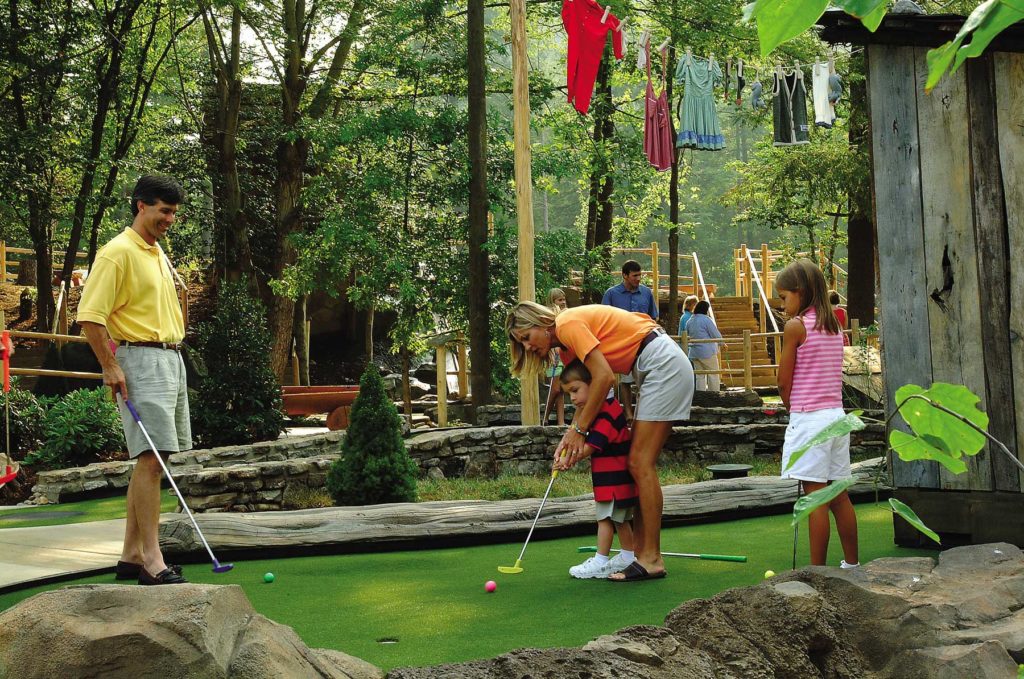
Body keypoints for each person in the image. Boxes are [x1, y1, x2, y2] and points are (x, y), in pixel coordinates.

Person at [506, 301, 694, 581]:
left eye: (526, 338)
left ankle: (651, 559)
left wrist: (579, 431)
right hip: (651, 366)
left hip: (662, 364)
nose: (528, 347)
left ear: (541, 323)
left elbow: (605, 377)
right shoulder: (567, 350)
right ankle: (641, 554)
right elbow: (593, 396)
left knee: (640, 462)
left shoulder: (567, 324)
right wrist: (570, 443)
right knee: (637, 463)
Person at [78, 175, 191, 586]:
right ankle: (151, 559)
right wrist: (110, 366)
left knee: (155, 460)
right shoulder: (118, 252)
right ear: (140, 205)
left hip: (169, 359)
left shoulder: (155, 251)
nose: (170, 219)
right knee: (150, 460)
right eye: (164, 211)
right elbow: (90, 315)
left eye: (174, 212)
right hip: (140, 359)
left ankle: (130, 554)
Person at [776, 260, 858, 568]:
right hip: (837, 417)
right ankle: (852, 564)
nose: (782, 306)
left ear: (801, 292)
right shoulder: (834, 326)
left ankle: (817, 572)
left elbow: (783, 382)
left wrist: (791, 409)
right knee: (838, 494)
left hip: (810, 419)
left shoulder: (796, 327)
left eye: (784, 298)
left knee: (815, 498)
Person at [556, 359, 637, 579]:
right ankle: (628, 556)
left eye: (575, 390)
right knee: (620, 520)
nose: (572, 398)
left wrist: (568, 461)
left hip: (615, 479)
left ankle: (600, 561)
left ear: (595, 384)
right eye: (568, 393)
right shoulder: (602, 409)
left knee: (605, 519)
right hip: (611, 479)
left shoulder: (607, 413)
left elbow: (590, 447)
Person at [602, 260, 658, 422]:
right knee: (625, 380)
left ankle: (643, 413)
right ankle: (628, 414)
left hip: (643, 343)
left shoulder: (646, 293)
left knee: (645, 379)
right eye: (635, 275)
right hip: (622, 344)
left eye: (640, 275)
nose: (638, 278)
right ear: (625, 275)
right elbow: (604, 319)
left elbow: (652, 318)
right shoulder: (611, 294)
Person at [543, 288, 569, 425]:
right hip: (553, 357)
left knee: (560, 390)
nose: (563, 302)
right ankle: (545, 417)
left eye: (564, 299)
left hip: (562, 356)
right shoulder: (550, 316)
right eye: (560, 300)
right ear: (553, 301)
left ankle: (560, 421)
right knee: (555, 389)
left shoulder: (565, 313)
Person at [686, 301, 725, 391]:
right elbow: (715, 333)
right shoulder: (706, 320)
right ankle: (714, 394)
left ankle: (701, 395)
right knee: (713, 373)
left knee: (700, 375)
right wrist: (722, 343)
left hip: (694, 352)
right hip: (706, 352)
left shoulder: (690, 321)